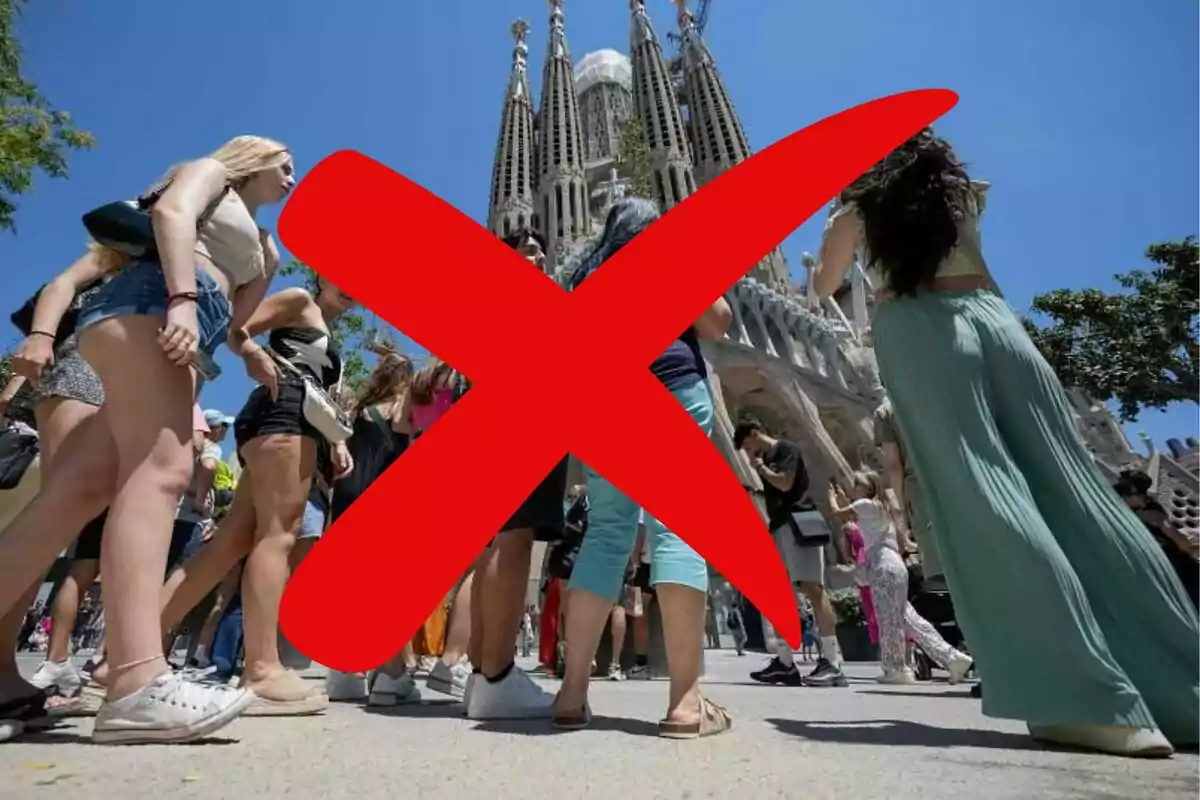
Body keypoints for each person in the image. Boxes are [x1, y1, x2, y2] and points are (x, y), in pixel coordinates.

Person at [813, 127, 1198, 757]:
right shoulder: (963, 195)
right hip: (998, 326)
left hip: (923, 331)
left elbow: (825, 284)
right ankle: (1179, 693)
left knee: (987, 501)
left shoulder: (858, 209)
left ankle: (1089, 701)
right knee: (1078, 501)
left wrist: (843, 214)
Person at [0, 135, 294, 744]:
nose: (293, 175)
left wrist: (252, 353)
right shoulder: (210, 172)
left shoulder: (267, 246)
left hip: (179, 327)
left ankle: (134, 677)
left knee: (78, 491)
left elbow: (236, 326)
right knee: (161, 473)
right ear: (254, 157)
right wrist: (183, 300)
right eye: (284, 162)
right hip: (156, 307)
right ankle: (136, 680)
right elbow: (170, 214)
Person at [551, 198, 734, 739]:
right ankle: (685, 701)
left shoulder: (586, 271)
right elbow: (717, 322)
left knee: (605, 537)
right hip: (671, 390)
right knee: (676, 529)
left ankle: (571, 692)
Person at [156, 281, 356, 717]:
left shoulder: (324, 326)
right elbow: (237, 327)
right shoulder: (300, 300)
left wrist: (336, 441)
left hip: (287, 421)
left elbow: (317, 387)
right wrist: (251, 352)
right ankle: (261, 669)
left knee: (231, 541)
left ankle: (128, 650)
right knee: (278, 536)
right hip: (281, 416)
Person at [827, 471, 972, 684]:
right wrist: (845, 502)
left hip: (883, 567)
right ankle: (952, 658)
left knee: (889, 620)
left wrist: (831, 497)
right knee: (907, 619)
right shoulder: (878, 509)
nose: (855, 488)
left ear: (869, 488)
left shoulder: (868, 504)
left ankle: (896, 669)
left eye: (858, 485)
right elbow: (853, 518)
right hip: (894, 566)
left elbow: (838, 514)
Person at [734, 416, 847, 687]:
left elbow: (785, 483)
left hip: (799, 524)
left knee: (813, 589)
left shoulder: (785, 450)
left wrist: (760, 468)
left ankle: (833, 662)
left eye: (748, 446)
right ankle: (785, 663)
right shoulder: (771, 456)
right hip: (781, 526)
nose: (750, 453)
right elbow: (778, 491)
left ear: (755, 433)